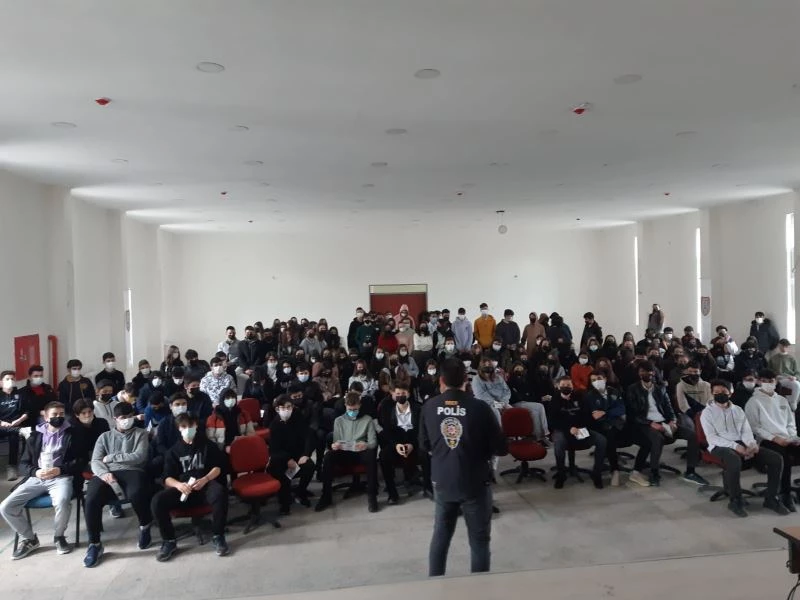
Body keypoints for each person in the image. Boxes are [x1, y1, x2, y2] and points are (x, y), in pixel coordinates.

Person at [420, 358, 507, 577]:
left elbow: (424, 444)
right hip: (474, 481)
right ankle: (479, 586)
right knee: (479, 541)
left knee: (441, 536)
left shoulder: (429, 407)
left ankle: (435, 582)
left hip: (442, 480)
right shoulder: (480, 408)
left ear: (441, 380)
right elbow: (501, 448)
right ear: (466, 380)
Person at [0, 401, 79, 559]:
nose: (58, 417)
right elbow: (23, 464)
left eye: (61, 414)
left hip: (61, 477)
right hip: (37, 478)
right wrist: (36, 472)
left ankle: (59, 536)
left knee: (62, 501)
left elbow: (80, 461)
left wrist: (60, 469)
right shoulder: (35, 435)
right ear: (46, 417)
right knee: (6, 507)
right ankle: (29, 538)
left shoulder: (73, 433)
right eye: (54, 414)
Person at [82, 402, 153, 568]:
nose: (126, 420)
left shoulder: (141, 434)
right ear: (115, 419)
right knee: (91, 498)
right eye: (122, 417)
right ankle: (94, 543)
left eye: (129, 416)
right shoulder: (104, 437)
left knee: (137, 493)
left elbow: (139, 457)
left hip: (133, 470)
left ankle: (145, 526)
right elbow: (96, 460)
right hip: (106, 472)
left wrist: (112, 457)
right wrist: (104, 474)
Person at [701, 379, 785, 517]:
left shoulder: (738, 410)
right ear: (712, 393)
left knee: (776, 459)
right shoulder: (707, 413)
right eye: (716, 392)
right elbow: (712, 437)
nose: (720, 394)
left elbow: (746, 431)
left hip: (741, 443)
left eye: (723, 392)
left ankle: (771, 498)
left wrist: (751, 444)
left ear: (731, 392)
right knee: (734, 460)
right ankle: (735, 500)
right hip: (719, 446)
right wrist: (736, 446)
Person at [150, 413, 229, 561]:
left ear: (196, 426)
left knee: (220, 493)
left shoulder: (207, 445)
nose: (188, 429)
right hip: (183, 489)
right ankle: (169, 541)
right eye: (184, 426)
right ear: (179, 429)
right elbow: (167, 478)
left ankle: (218, 535)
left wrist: (205, 479)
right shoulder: (173, 451)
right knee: (157, 501)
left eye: (190, 426)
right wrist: (179, 485)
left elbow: (218, 468)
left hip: (204, 485)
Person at [625, 362, 708, 487]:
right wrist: (650, 423)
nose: (646, 374)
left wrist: (672, 420)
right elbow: (633, 413)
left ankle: (690, 471)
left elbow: (669, 408)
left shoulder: (660, 389)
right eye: (643, 371)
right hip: (645, 424)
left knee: (692, 435)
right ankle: (654, 473)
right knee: (657, 439)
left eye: (649, 371)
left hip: (663, 422)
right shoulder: (633, 389)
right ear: (639, 373)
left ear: (654, 373)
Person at [744, 369, 800, 513]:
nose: (768, 384)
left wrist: (792, 437)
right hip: (766, 440)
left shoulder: (782, 400)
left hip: (786, 438)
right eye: (764, 381)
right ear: (759, 382)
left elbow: (790, 423)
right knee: (784, 457)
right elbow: (755, 427)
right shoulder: (753, 402)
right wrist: (775, 438)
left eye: (771, 381)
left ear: (776, 382)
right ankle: (784, 494)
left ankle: (790, 490)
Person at [314, 391, 379, 513]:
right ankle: (326, 496)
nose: (352, 411)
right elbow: (336, 441)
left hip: (360, 451)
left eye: (355, 409)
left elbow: (373, 442)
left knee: (371, 456)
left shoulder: (367, 419)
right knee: (329, 456)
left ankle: (372, 496)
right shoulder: (339, 421)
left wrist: (365, 445)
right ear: (345, 406)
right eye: (350, 409)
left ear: (359, 406)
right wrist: (335, 445)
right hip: (345, 452)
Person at [548, 377, 606, 489]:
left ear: (572, 386)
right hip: (563, 430)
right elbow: (553, 421)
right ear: (558, 387)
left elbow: (586, 415)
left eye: (568, 385)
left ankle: (597, 474)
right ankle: (561, 475)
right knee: (559, 442)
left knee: (601, 440)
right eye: (563, 385)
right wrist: (569, 428)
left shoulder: (580, 397)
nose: (566, 387)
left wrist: (580, 428)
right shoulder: (554, 400)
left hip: (580, 429)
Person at [378, 382, 427, 504]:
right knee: (384, 455)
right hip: (397, 442)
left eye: (403, 393)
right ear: (394, 394)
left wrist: (412, 444)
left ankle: (428, 487)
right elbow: (387, 430)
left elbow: (421, 430)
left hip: (414, 442)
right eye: (398, 393)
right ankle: (392, 494)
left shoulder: (418, 408)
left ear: (408, 394)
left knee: (426, 453)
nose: (400, 396)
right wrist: (396, 445)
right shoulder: (388, 409)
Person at [268, 395, 315, 515]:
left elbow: (308, 436)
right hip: (281, 458)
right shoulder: (274, 425)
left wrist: (306, 454)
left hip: (297, 455)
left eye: (289, 407)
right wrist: (287, 459)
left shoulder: (298, 418)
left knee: (309, 466)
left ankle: (301, 491)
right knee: (279, 471)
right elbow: (274, 449)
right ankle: (284, 501)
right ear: (277, 409)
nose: (287, 410)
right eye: (283, 408)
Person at [585, 371, 626, 486]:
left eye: (599, 378)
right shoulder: (590, 396)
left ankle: (610, 469)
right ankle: (614, 469)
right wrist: (609, 413)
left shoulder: (614, 391)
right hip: (598, 426)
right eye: (593, 380)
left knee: (611, 434)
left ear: (605, 379)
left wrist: (605, 412)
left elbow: (621, 409)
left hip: (616, 424)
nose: (596, 382)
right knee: (607, 437)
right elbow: (595, 416)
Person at [0, 370, 28, 480]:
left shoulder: (20, 395)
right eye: (7, 379)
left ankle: (12, 467)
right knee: (16, 431)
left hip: (16, 424)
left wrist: (20, 420)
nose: (10, 381)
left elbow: (27, 411)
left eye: (12, 379)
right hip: (1, 426)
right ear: (1, 382)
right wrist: (2, 422)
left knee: (14, 437)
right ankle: (19, 430)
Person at [674, 361, 712, 430]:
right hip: (688, 414)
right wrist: (694, 416)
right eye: (690, 371)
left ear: (700, 371)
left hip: (705, 413)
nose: (692, 374)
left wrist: (704, 414)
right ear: (686, 371)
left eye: (695, 371)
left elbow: (710, 401)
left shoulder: (707, 385)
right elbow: (683, 404)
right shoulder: (680, 385)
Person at [769, 339, 800, 410]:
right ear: (779, 346)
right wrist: (774, 377)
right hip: (777, 379)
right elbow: (769, 371)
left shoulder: (792, 359)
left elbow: (797, 372)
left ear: (788, 347)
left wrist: (795, 377)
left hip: (789, 379)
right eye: (782, 346)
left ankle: (792, 403)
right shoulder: (773, 358)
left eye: (785, 346)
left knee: (797, 384)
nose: (783, 348)